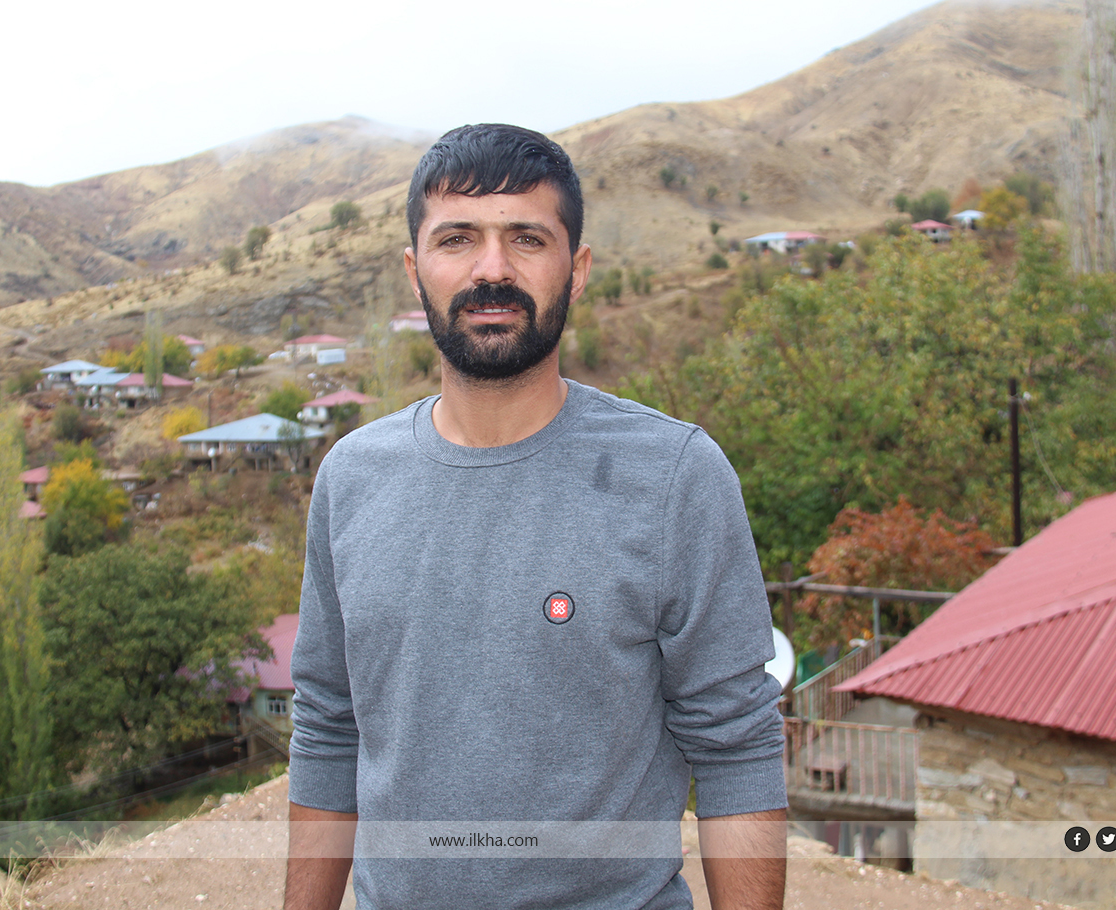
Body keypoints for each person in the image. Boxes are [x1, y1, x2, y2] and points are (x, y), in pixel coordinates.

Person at [285, 123, 786, 910]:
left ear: (576, 270)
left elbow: (738, 745)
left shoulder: (675, 476)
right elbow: (327, 727)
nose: (492, 269)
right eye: (457, 239)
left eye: (527, 238)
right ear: (415, 271)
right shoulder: (351, 478)